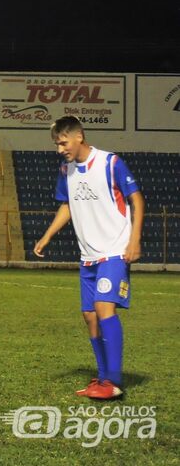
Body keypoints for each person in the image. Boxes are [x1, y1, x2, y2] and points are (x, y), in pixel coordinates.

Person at [34, 116, 143, 400]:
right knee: (89, 316)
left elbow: (137, 199)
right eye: (57, 144)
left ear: (79, 136)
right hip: (88, 256)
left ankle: (114, 382)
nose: (60, 149)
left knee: (103, 307)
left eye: (63, 143)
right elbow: (66, 206)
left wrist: (135, 240)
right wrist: (47, 236)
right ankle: (104, 376)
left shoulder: (110, 163)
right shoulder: (66, 169)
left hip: (115, 251)